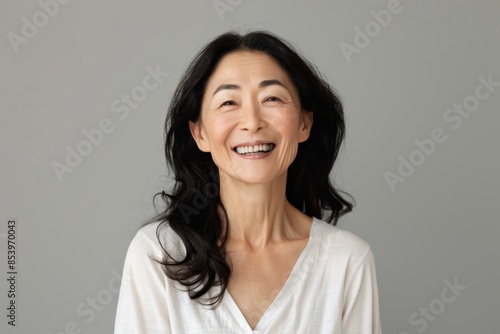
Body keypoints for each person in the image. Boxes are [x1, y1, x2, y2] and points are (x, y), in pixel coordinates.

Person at [114, 30, 382, 333]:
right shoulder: (160, 254)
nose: (252, 122)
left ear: (304, 124)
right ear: (199, 133)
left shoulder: (347, 261)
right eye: (229, 102)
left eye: (272, 98)